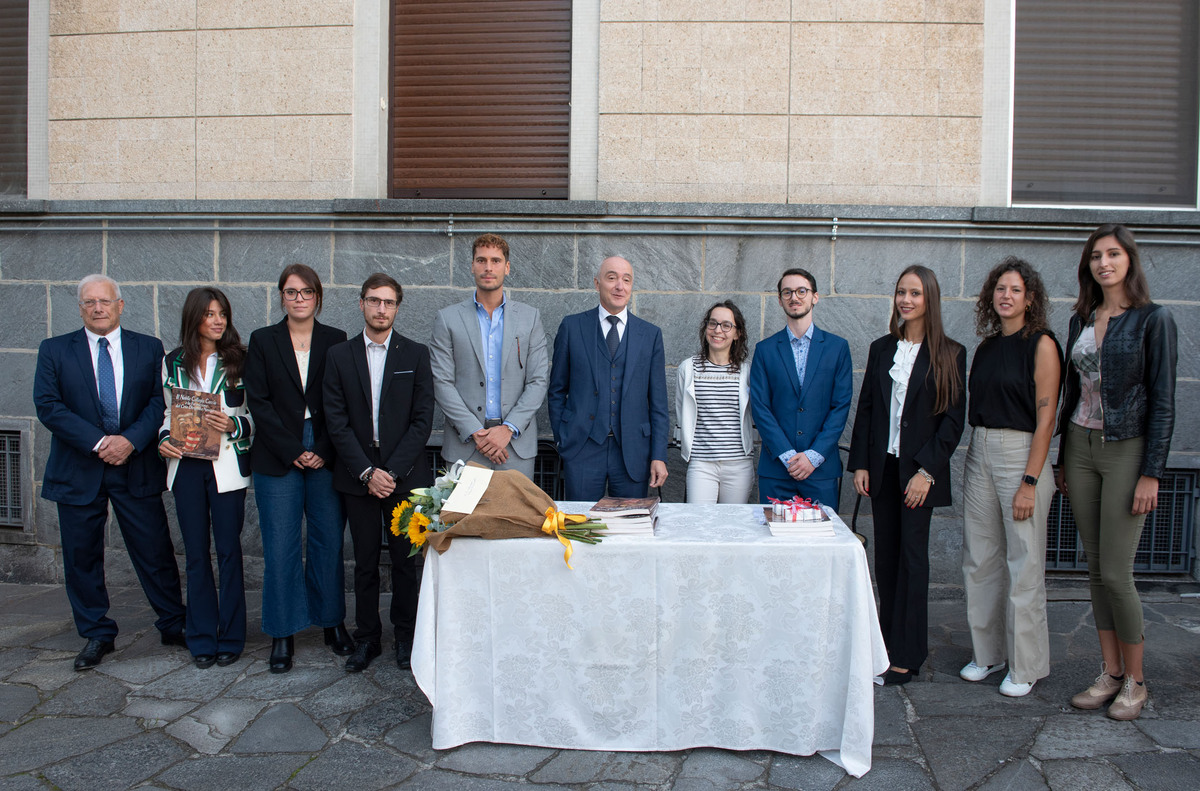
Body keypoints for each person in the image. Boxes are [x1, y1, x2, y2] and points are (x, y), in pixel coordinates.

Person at [33, 274, 187, 670]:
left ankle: (173, 623)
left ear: (120, 305)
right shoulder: (54, 350)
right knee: (81, 556)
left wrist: (130, 441)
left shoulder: (149, 348)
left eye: (104, 301)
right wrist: (101, 443)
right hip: (79, 468)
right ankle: (97, 633)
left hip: (134, 465)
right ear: (80, 307)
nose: (97, 308)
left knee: (154, 550)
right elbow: (48, 405)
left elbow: (159, 402)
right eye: (89, 302)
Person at [1059, 224, 1176, 721]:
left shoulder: (1153, 320)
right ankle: (1109, 673)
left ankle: (1137, 680)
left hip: (1126, 450)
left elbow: (1165, 403)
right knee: (1094, 568)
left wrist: (1152, 473)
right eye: (1095, 256)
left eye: (1113, 254)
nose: (1104, 263)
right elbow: (1070, 394)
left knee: (1116, 571)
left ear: (1129, 259)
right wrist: (1063, 456)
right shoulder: (1079, 319)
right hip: (1081, 447)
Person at [849, 264, 966, 685]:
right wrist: (861, 462)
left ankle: (909, 655)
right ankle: (885, 645)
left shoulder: (950, 353)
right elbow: (867, 410)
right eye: (901, 292)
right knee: (887, 560)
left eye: (915, 293)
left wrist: (927, 472)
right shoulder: (882, 349)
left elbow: (953, 422)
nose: (906, 300)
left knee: (913, 562)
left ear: (928, 299)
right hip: (883, 469)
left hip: (919, 475)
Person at [959, 258, 1061, 697]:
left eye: (1016, 290)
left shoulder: (1041, 344)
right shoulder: (985, 347)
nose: (1006, 296)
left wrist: (1030, 481)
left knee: (1024, 565)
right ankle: (988, 654)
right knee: (980, 559)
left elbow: (1046, 418)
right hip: (979, 450)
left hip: (1021, 454)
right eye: (1000, 288)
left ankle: (1027, 666)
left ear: (1030, 298)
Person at [244, 264, 352, 674]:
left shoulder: (336, 340)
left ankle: (331, 623)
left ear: (318, 296)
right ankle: (283, 632)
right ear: (282, 297)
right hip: (278, 453)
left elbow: (342, 401)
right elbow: (260, 401)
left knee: (327, 541)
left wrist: (322, 447)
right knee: (281, 545)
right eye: (291, 292)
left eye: (306, 292)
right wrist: (293, 450)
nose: (299, 298)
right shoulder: (263, 340)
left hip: (327, 450)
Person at [324, 273, 434, 673]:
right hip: (358, 475)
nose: (381, 309)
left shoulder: (415, 354)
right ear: (362, 304)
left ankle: (406, 636)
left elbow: (423, 421)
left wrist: (390, 470)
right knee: (365, 561)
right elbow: (335, 422)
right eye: (374, 301)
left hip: (404, 475)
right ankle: (367, 638)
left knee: (406, 560)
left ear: (397, 307)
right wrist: (368, 472)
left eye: (388, 302)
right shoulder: (339, 355)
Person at [157, 287, 254, 669]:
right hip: (186, 465)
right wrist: (164, 438)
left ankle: (231, 636)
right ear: (193, 317)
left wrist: (234, 423)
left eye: (222, 314)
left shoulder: (240, 361)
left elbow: (258, 415)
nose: (217, 320)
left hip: (227, 466)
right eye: (209, 313)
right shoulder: (172, 362)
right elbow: (167, 412)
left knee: (229, 552)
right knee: (196, 554)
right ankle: (200, 636)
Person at [547, 256, 669, 500]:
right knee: (580, 526)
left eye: (626, 280)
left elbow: (658, 404)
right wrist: (565, 437)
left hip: (633, 450)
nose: (619, 286)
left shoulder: (650, 335)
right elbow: (557, 390)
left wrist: (658, 455)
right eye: (611, 278)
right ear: (597, 283)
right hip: (582, 448)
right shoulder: (572, 327)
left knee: (628, 529)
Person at [430, 234, 549, 479]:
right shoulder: (448, 319)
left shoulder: (530, 317)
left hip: (514, 447)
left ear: (506, 267)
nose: (488, 267)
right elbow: (441, 382)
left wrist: (507, 429)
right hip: (466, 445)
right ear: (472, 266)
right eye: (481, 260)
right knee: (464, 518)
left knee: (514, 517)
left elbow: (538, 381)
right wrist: (477, 432)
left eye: (495, 261)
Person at [750, 269, 853, 509]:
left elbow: (841, 406)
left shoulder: (837, 348)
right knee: (776, 542)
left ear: (814, 297)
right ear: (780, 299)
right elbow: (760, 407)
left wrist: (813, 456)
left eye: (801, 291)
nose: (794, 297)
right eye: (787, 292)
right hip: (777, 469)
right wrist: (787, 456)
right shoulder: (765, 350)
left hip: (820, 470)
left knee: (821, 543)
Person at [675, 301, 755, 503]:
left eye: (726, 325)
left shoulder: (747, 371)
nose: (718, 330)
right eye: (713, 323)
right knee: (700, 524)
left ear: (737, 334)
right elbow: (681, 411)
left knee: (734, 526)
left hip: (739, 464)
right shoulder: (688, 368)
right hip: (701, 463)